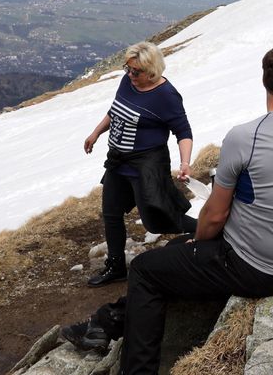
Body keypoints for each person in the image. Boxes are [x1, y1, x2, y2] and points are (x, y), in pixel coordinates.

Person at [64, 44, 273, 373]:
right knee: (177, 250)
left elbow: (215, 215)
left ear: (265, 81)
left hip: (252, 266)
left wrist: (203, 238)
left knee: (145, 271)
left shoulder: (245, 137)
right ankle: (107, 323)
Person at [82, 42, 195, 289]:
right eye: (128, 69)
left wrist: (185, 162)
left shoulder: (166, 95)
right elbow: (116, 110)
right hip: (118, 161)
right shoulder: (128, 82)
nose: (130, 75)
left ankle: (206, 231)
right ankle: (116, 266)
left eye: (136, 71)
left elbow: (183, 131)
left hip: (146, 164)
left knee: (156, 218)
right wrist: (96, 133)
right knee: (111, 213)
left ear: (152, 71)